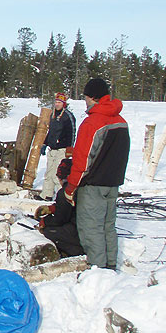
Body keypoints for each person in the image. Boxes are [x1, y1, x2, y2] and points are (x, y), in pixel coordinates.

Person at [63, 78, 129, 270]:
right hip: (112, 183)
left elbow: (82, 161)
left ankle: (97, 269)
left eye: (85, 97)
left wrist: (71, 186)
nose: (85, 101)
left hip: (93, 185)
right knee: (108, 226)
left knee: (91, 228)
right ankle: (110, 264)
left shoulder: (92, 123)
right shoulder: (121, 122)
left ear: (92, 97)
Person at [35, 158, 84, 258]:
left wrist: (45, 221)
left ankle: (72, 251)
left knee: (48, 232)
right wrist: (52, 208)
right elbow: (69, 207)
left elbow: (60, 219)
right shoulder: (82, 188)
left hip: (77, 232)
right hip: (87, 229)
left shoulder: (66, 192)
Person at [39, 92, 76, 200]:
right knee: (49, 173)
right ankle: (46, 195)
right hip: (52, 148)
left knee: (58, 174)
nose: (57, 104)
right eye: (56, 102)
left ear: (64, 103)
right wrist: (45, 143)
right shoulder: (53, 115)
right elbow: (51, 131)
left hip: (62, 149)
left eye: (59, 102)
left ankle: (61, 197)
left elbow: (72, 133)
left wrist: (69, 148)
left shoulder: (67, 116)